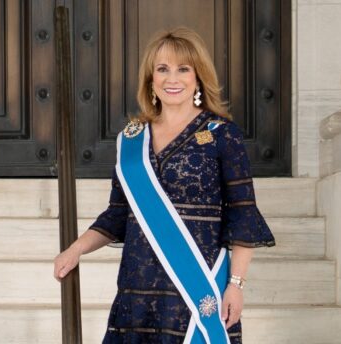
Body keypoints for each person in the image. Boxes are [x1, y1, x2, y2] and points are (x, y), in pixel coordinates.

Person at [54, 27, 275, 344]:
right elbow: (118, 215)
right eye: (163, 69)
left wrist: (236, 284)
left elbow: (243, 214)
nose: (173, 79)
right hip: (138, 291)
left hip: (196, 287)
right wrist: (75, 250)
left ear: (197, 77)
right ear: (151, 78)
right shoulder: (131, 140)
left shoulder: (221, 134)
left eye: (183, 69)